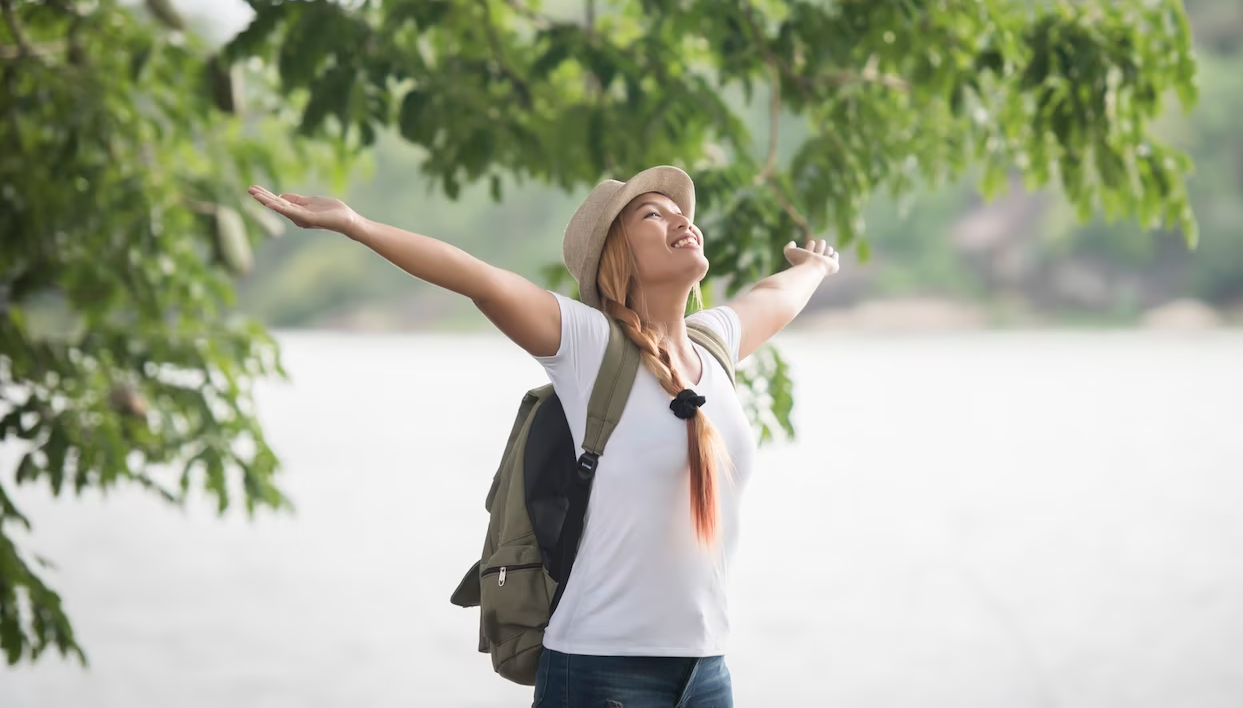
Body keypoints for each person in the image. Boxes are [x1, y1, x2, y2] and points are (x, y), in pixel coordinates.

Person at [246, 165, 839, 708]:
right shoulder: (587, 345)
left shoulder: (716, 344)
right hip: (600, 672)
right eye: (651, 216)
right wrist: (355, 224)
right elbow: (476, 277)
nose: (681, 219)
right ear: (617, 260)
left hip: (707, 672)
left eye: (681, 211)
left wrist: (814, 267)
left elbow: (774, 296)